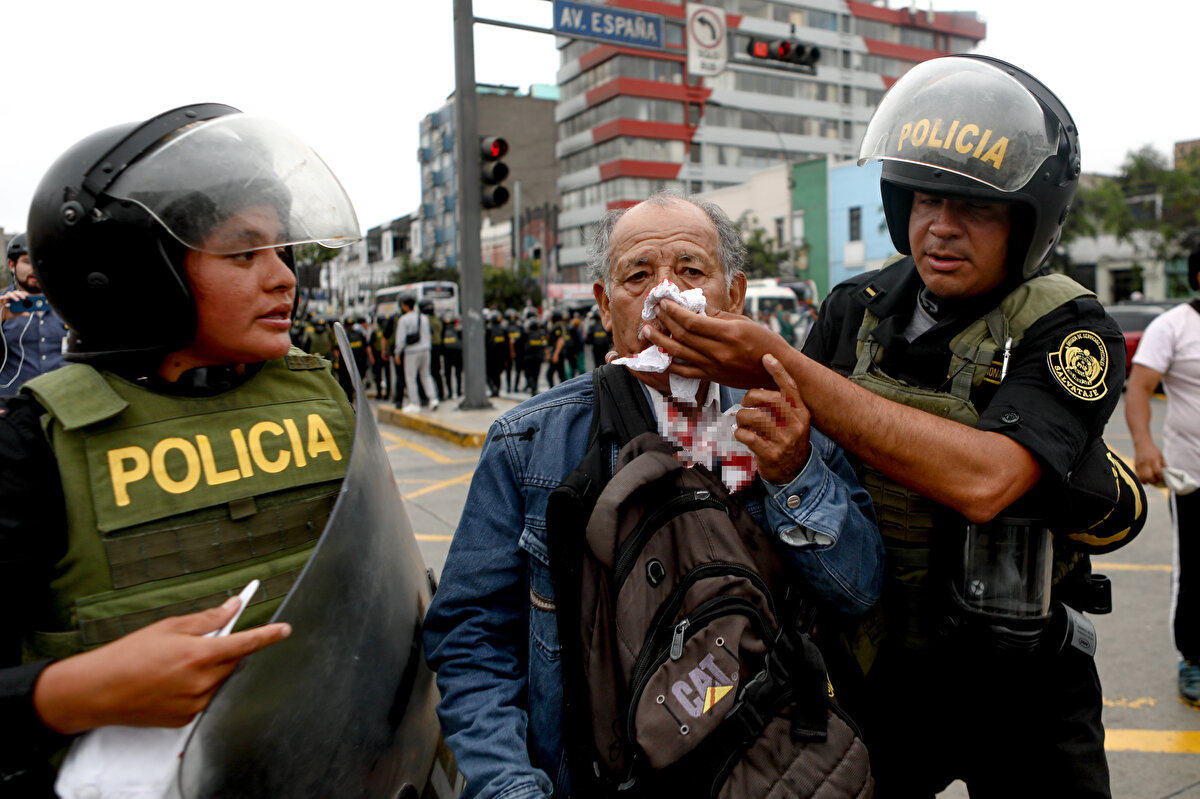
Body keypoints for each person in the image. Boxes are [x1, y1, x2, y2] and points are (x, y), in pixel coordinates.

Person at [646, 56, 1143, 797]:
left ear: (1027, 220)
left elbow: (988, 478)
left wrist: (781, 360)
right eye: (925, 198)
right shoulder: (858, 306)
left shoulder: (1069, 327)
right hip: (876, 668)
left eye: (974, 207)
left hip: (1020, 680)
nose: (940, 226)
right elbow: (785, 454)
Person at [423, 192, 883, 799]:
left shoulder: (791, 419)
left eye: (691, 270)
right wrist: (509, 785)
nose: (664, 294)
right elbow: (472, 639)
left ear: (734, 296)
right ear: (603, 303)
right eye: (638, 275)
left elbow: (859, 590)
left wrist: (795, 476)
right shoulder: (529, 444)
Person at [1, 103, 361, 792]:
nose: (284, 276)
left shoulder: (322, 398)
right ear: (136, 273)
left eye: (281, 249)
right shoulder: (35, 448)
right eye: (242, 252)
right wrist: (69, 692)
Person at [1126, 247, 1200, 707]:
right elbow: (1139, 388)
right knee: (1195, 569)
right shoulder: (1173, 326)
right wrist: (1144, 446)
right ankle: (1194, 658)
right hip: (1192, 475)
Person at [0, 233, 68, 395]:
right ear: (11, 264)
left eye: (41, 261)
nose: (35, 268)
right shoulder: (2, 305)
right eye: (28, 261)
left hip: (64, 404)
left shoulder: (70, 306)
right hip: (12, 406)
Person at [394, 294, 437, 413]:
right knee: (426, 375)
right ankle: (433, 399)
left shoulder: (404, 319)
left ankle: (414, 403)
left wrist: (397, 352)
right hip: (426, 349)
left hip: (412, 351)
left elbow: (401, 339)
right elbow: (429, 334)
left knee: (411, 377)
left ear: (404, 305)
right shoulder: (424, 318)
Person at [422, 299, 446, 402]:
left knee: (425, 373)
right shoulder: (438, 319)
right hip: (438, 347)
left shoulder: (424, 319)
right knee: (437, 372)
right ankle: (441, 394)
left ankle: (426, 397)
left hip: (429, 347)